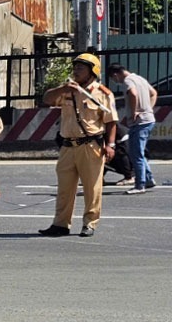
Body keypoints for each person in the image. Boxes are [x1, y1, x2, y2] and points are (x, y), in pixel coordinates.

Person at [40, 53, 117, 238]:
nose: (76, 71)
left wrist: (111, 144)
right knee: (65, 188)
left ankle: (89, 223)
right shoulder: (67, 90)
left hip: (90, 145)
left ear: (92, 72)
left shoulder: (102, 93)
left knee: (92, 188)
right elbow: (47, 99)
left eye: (80, 68)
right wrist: (62, 88)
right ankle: (60, 224)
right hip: (67, 146)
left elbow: (111, 120)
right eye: (75, 67)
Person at [106, 63, 157, 194]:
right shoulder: (139, 78)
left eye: (113, 79)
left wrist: (134, 112)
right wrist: (148, 109)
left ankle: (140, 185)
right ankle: (148, 179)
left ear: (115, 74)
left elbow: (133, 94)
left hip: (139, 123)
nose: (115, 81)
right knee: (139, 152)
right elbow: (153, 93)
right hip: (148, 120)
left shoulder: (127, 81)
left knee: (135, 154)